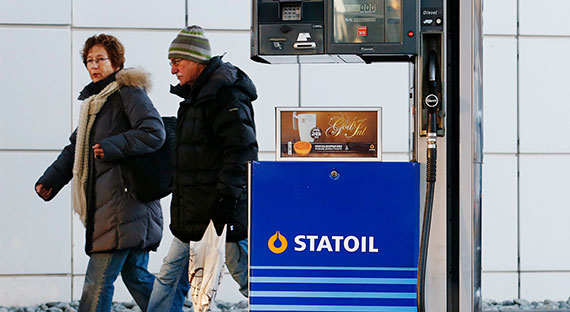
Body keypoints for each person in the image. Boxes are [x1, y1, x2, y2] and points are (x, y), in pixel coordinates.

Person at [35, 34, 165, 312]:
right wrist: (50, 180)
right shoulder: (96, 103)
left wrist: (111, 146)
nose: (94, 65)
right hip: (118, 207)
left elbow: (154, 132)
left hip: (124, 206)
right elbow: (77, 147)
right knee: (137, 277)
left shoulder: (127, 93)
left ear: (116, 63)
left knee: (97, 283)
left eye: (100, 59)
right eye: (89, 60)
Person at [148, 25, 258, 311]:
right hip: (193, 214)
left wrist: (225, 201)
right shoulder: (194, 98)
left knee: (248, 277)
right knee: (168, 278)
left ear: (196, 59)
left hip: (220, 213)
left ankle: (286, 305)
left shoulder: (226, 95)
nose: (172, 70)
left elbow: (242, 151)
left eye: (176, 62)